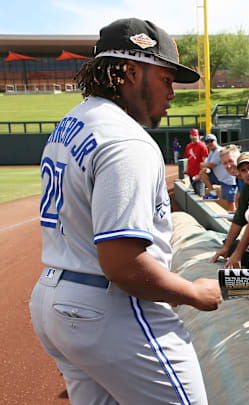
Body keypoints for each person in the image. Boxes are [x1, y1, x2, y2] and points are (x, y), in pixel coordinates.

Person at [29, 18, 222, 405]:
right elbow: (123, 264)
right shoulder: (126, 138)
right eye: (166, 79)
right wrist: (192, 292)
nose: (172, 92)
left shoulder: (72, 123)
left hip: (54, 298)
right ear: (132, 71)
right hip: (111, 306)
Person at [211, 151, 249, 268]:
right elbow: (239, 218)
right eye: (243, 171)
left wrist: (238, 253)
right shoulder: (247, 186)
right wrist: (226, 247)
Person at [198, 133, 237, 210]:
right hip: (219, 178)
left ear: (216, 141)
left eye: (211, 141)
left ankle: (236, 219)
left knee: (230, 204)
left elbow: (210, 165)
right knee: (202, 173)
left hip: (228, 181)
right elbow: (206, 165)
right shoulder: (212, 153)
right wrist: (204, 167)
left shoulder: (219, 151)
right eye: (207, 142)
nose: (209, 143)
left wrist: (204, 166)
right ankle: (213, 194)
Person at [185, 127, 208, 195]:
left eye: (195, 135)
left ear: (198, 136)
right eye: (192, 135)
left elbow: (205, 161)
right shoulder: (188, 146)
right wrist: (187, 169)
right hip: (191, 174)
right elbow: (188, 159)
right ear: (190, 136)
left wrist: (200, 174)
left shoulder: (202, 146)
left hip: (199, 175)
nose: (194, 137)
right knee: (194, 194)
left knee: (200, 195)